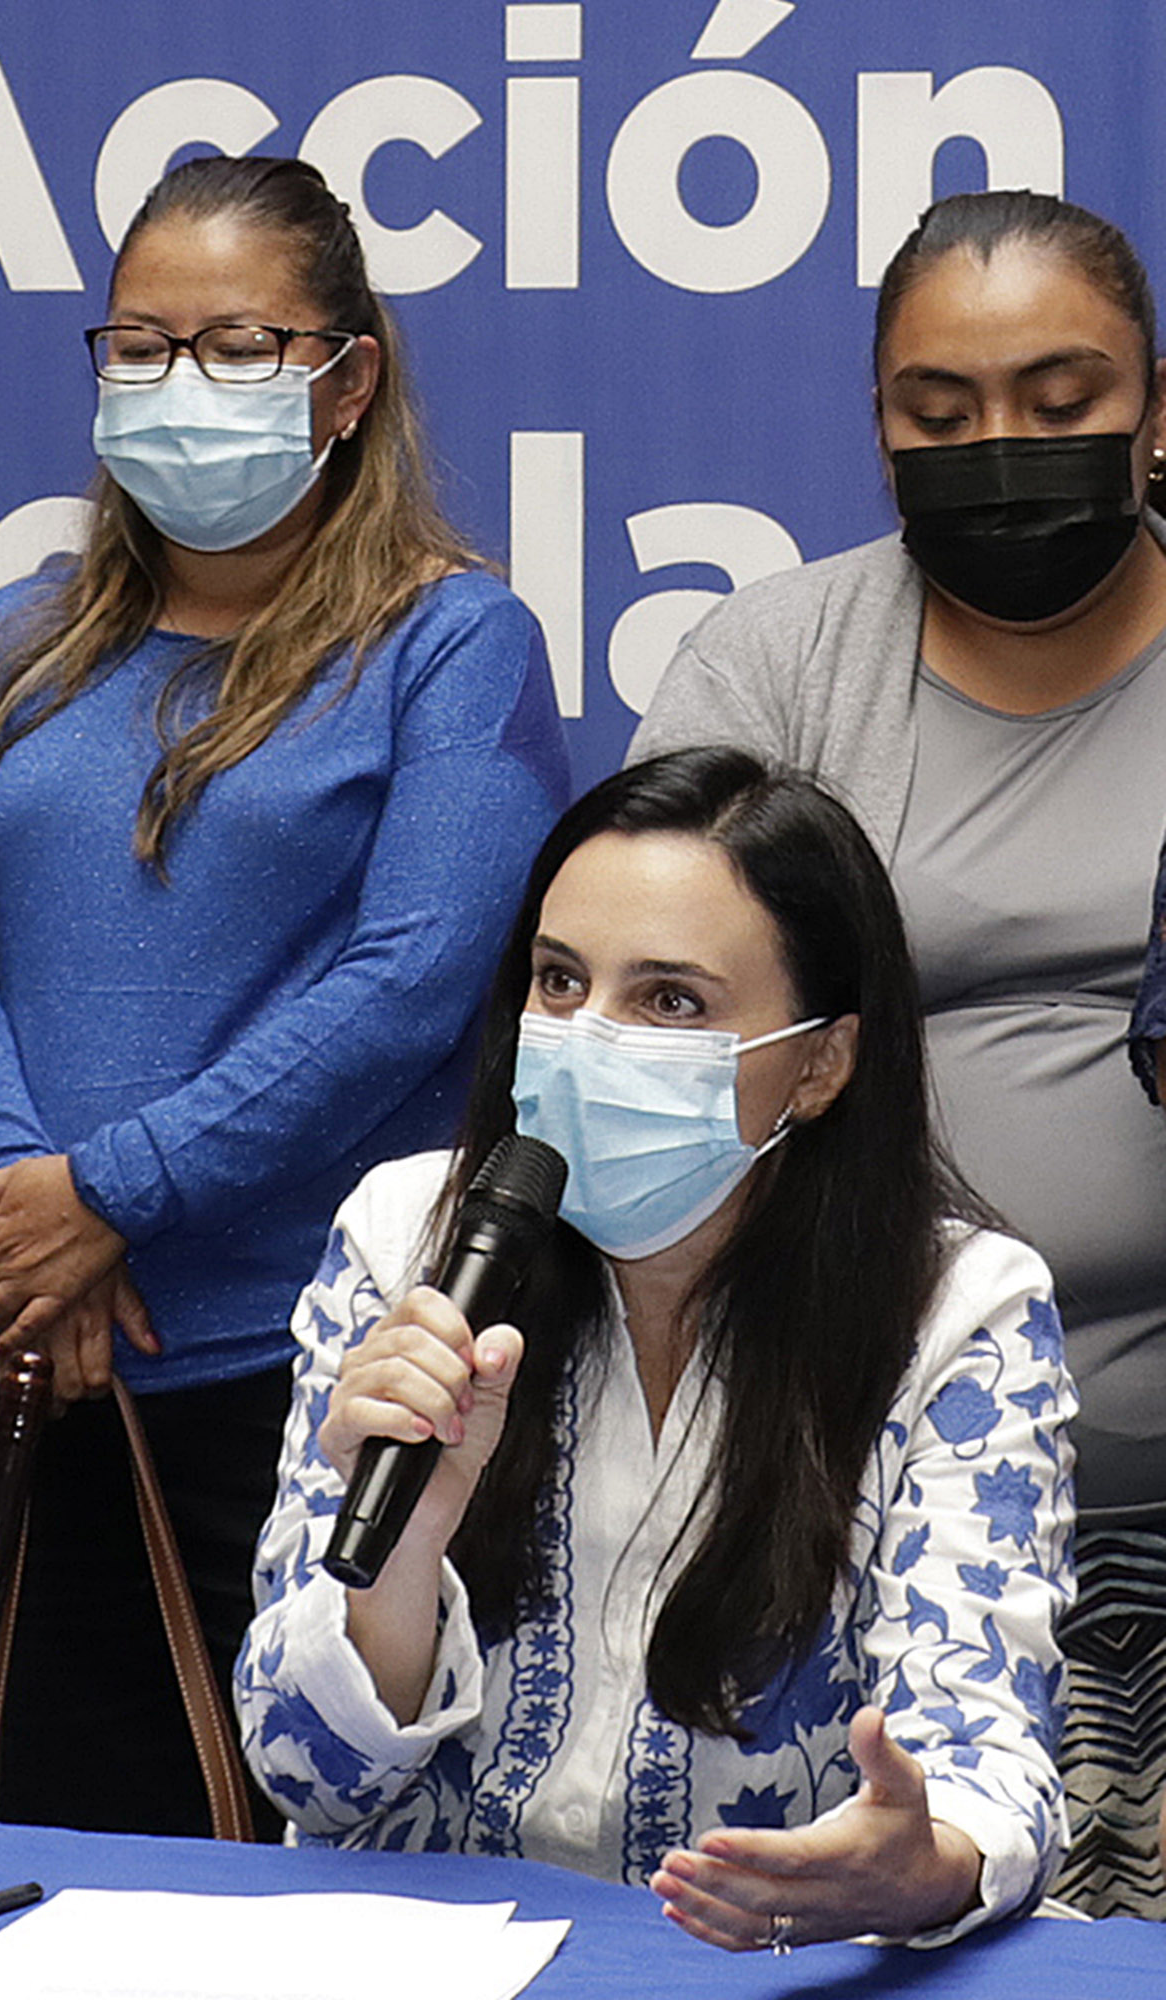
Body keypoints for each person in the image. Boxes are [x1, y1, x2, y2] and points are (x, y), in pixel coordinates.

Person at [0, 154, 566, 1835]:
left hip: (301, 1380)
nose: (182, 384)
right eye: (140, 346)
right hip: (9, 1354)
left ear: (350, 377)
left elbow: (412, 984)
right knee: (6, 1844)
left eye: (241, 347)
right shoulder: (11, 639)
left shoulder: (451, 641)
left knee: (282, 1867)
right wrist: (28, 1221)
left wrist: (112, 1195)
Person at [240, 747, 1072, 1950]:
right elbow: (303, 1776)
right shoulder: (405, 1241)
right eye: (559, 980)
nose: (587, 1039)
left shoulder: (958, 1312)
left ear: (821, 1063)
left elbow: (980, 1767)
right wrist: (409, 1546)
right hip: (424, 1955)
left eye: (670, 1000)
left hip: (770, 1965)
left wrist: (922, 1860)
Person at [633, 189, 1166, 1919]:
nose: (1001, 448)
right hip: (858, 1510)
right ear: (878, 430)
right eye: (942, 412)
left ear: (1158, 408)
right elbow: (643, 1033)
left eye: (1061, 399)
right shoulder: (775, 670)